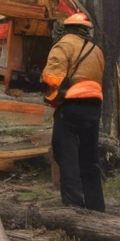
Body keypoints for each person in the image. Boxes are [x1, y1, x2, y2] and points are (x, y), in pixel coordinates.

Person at [43, 12, 106, 212]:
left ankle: (74, 209)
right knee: (90, 160)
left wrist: (44, 80)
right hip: (94, 109)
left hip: (70, 108)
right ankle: (96, 208)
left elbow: (53, 77)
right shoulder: (97, 50)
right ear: (86, 30)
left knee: (67, 157)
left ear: (67, 28)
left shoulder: (63, 46)